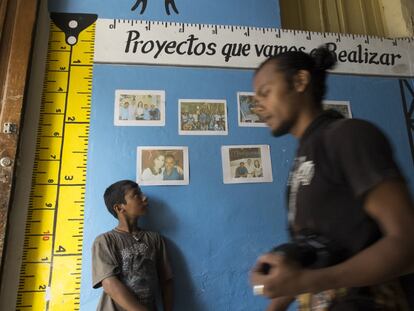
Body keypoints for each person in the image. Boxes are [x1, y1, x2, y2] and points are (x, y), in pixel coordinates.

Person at [249, 45, 414, 311]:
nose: (259, 106)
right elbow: (316, 258)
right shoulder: (302, 160)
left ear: (300, 81)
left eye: (265, 92)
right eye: (256, 98)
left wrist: (309, 280)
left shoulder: (349, 136)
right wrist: (276, 290)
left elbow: (407, 243)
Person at [92, 180, 173, 311]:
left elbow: (166, 281)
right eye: (136, 195)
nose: (144, 198)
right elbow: (109, 283)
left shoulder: (155, 238)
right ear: (119, 208)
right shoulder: (105, 241)